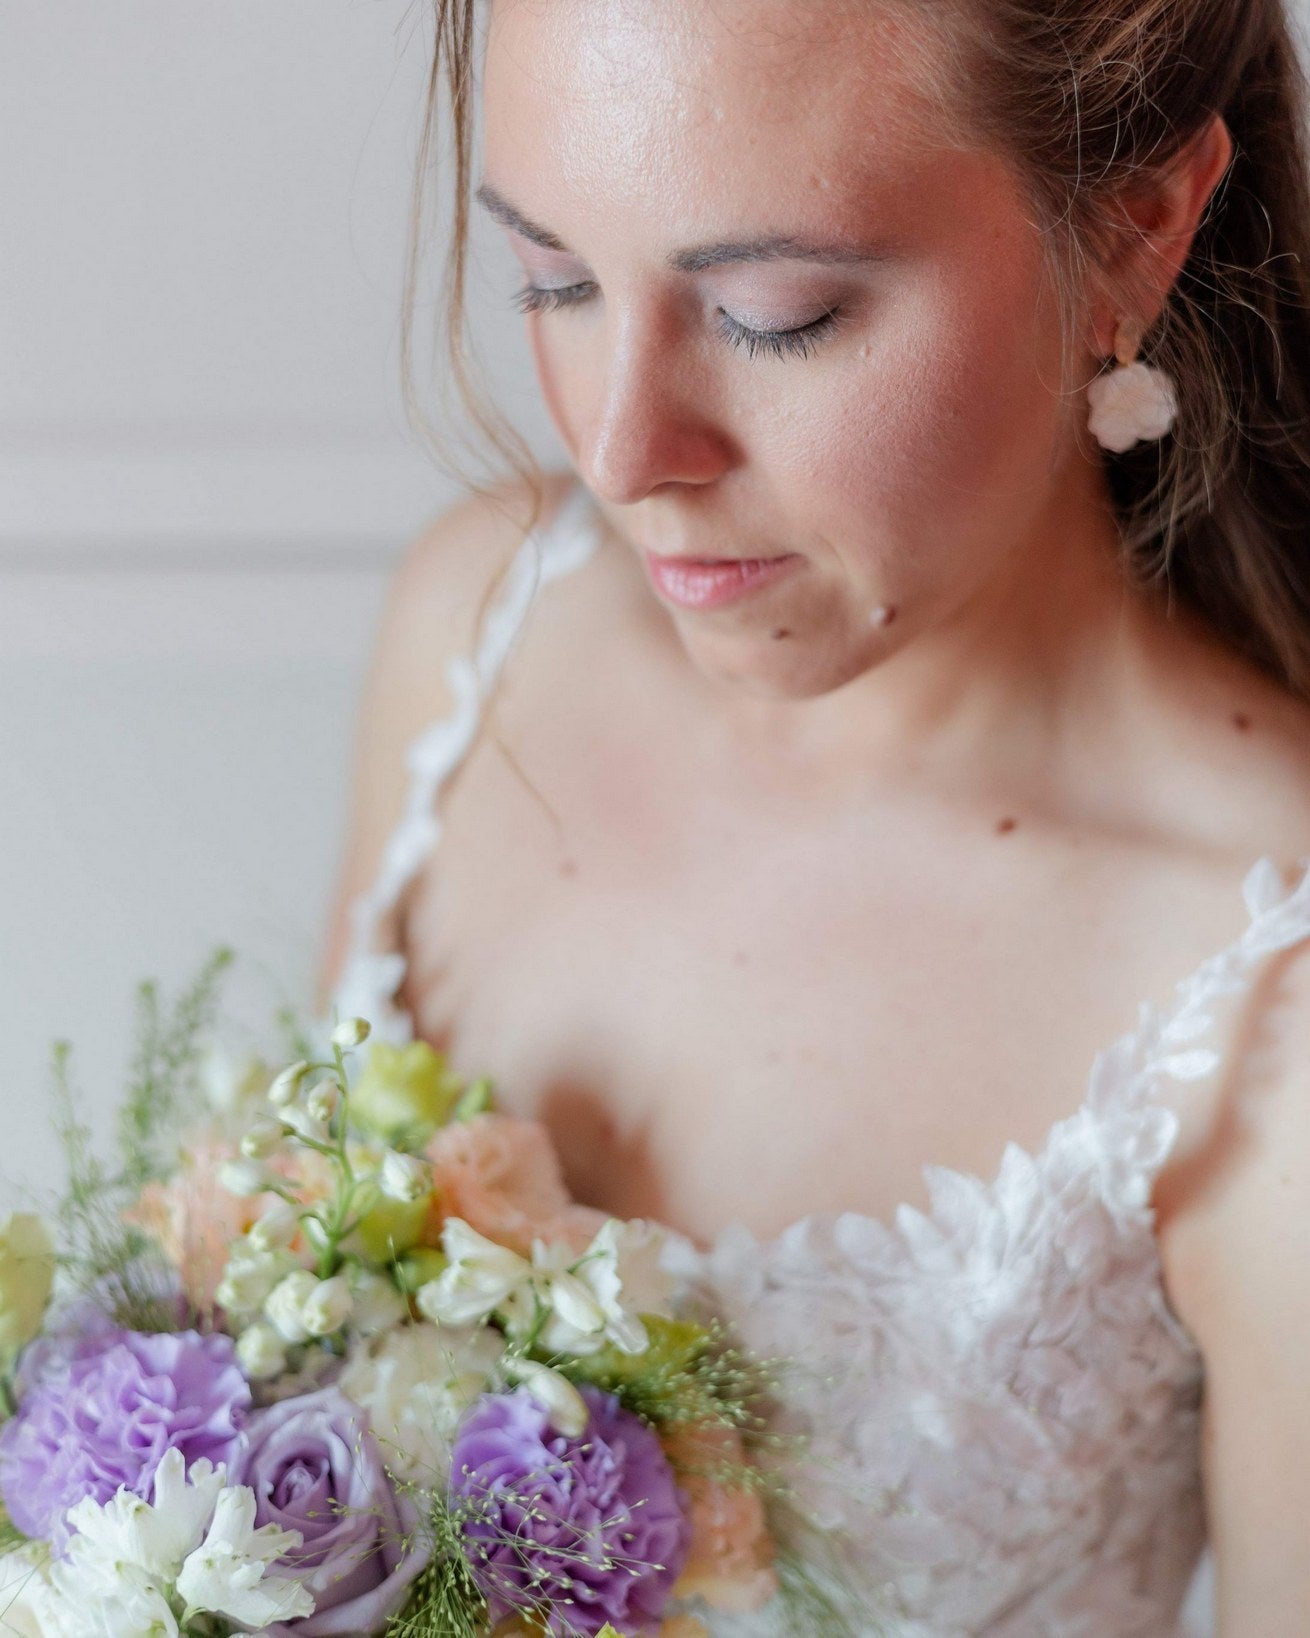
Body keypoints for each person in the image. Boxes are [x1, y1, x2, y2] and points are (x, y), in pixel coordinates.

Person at [317, 0, 1310, 1630]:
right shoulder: (477, 627)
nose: (626, 451)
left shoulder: (1256, 978)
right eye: (552, 280)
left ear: (1135, 229)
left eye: (774, 315)